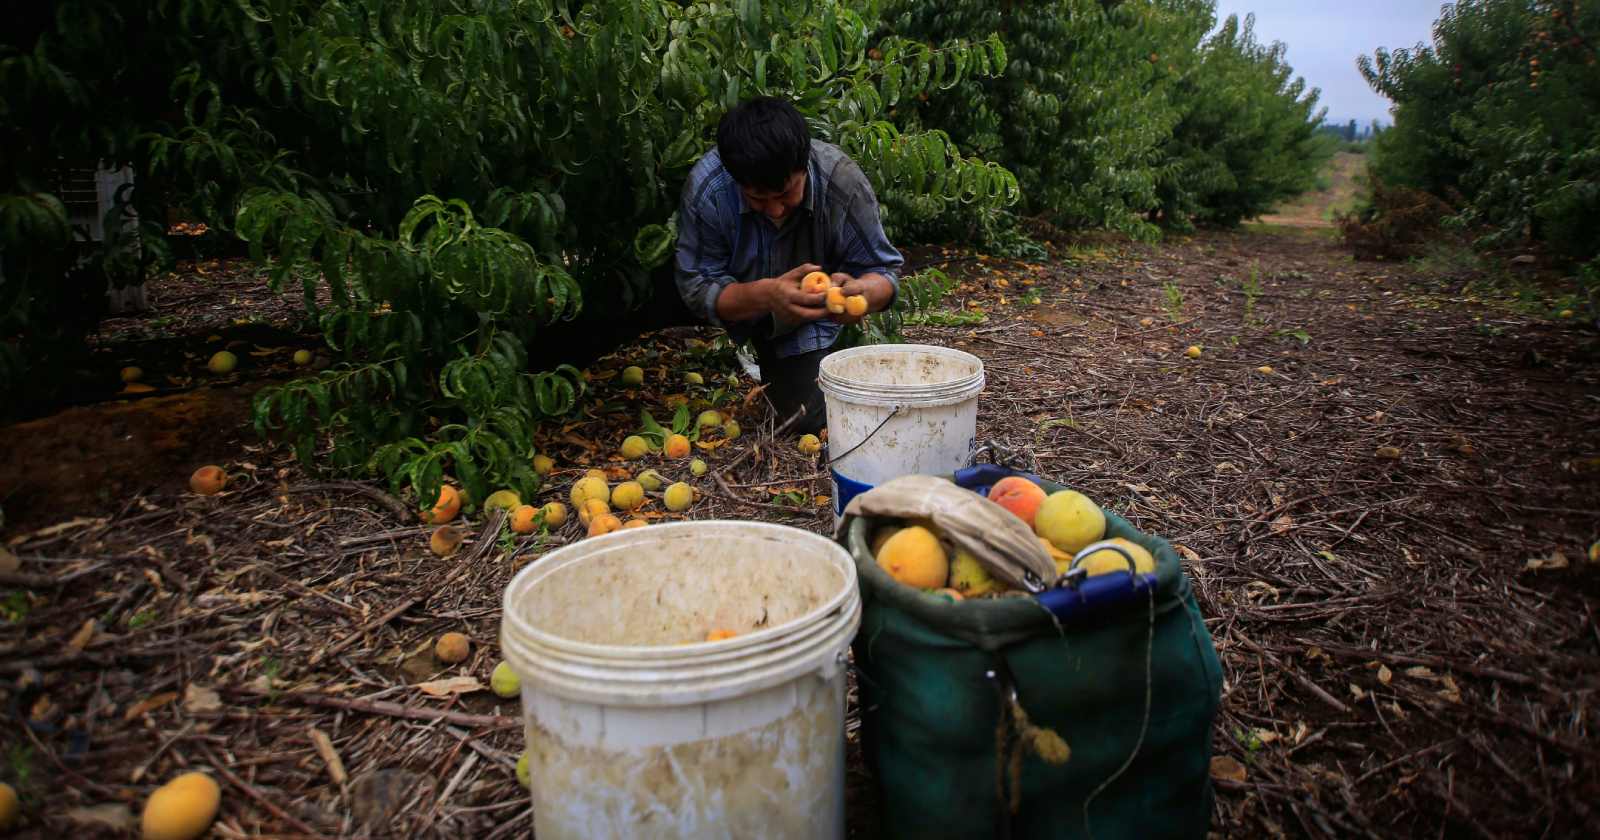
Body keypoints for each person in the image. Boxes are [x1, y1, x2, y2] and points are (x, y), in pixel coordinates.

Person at [674, 96, 903, 435]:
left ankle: (804, 356)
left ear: (803, 166)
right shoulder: (710, 189)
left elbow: (884, 271)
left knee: (807, 420)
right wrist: (766, 295)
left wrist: (862, 295)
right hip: (737, 299)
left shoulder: (841, 180)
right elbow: (695, 286)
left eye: (786, 194)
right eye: (758, 199)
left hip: (805, 322)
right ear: (737, 181)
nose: (776, 210)